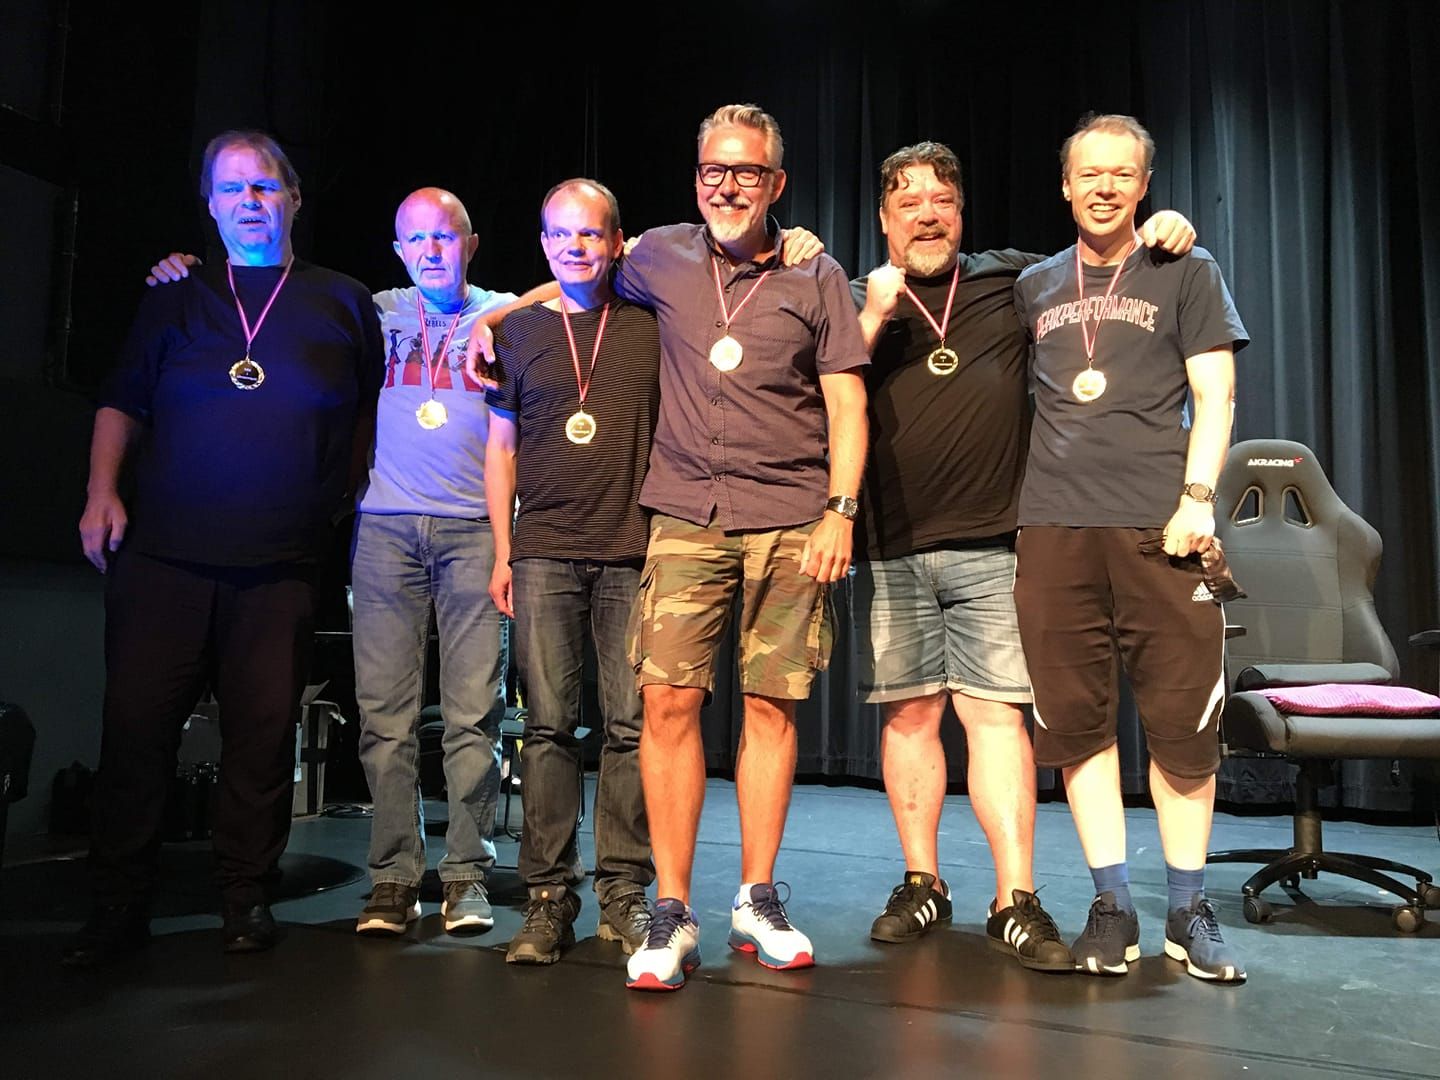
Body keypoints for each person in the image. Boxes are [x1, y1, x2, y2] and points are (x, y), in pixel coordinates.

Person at [136, 188, 521, 938]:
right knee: (384, 718)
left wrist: (505, 313)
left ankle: (467, 876)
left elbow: (570, 292)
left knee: (474, 716)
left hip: (477, 532)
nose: (431, 251)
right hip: (384, 532)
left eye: (446, 236)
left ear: (471, 244)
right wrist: (189, 272)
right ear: (398, 251)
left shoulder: (505, 310)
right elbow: (277, 303)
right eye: (416, 239)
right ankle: (394, 879)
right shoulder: (373, 311)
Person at [851, 142, 1195, 970]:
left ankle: (1015, 897)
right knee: (909, 716)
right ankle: (922, 881)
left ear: (961, 212)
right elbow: (816, 393)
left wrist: (1165, 231)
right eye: (908, 203)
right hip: (892, 543)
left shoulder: (1013, 279)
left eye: (942, 200)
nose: (927, 215)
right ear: (884, 219)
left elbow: (1100, 271)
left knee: (997, 717)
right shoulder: (858, 295)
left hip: (997, 539)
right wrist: (870, 317)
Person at [65, 131, 384, 966]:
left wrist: (342, 495)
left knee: (262, 737)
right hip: (164, 555)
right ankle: (118, 904)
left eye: (265, 186)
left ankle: (245, 895)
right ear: (209, 205)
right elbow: (123, 399)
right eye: (232, 188)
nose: (250, 201)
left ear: (294, 198)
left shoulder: (344, 301)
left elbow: (367, 412)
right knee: (136, 732)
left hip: (279, 564)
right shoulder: (175, 294)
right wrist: (101, 492)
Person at [615, 104, 870, 991]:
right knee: (667, 702)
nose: (728, 187)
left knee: (772, 705)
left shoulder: (816, 273)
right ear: (696, 178)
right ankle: (672, 908)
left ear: (777, 183)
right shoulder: (657, 255)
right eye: (714, 171)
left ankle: (757, 898)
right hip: (687, 512)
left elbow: (846, 403)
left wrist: (841, 512)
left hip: (792, 515)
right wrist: (489, 326)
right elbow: (573, 276)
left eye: (748, 172)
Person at [1012, 114, 1249, 983]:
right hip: (1054, 528)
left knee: (1182, 726)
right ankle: (1112, 902)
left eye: (1122, 174)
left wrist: (1198, 499)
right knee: (1077, 724)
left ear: (1144, 185)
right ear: (1065, 185)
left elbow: (1215, 395)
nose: (1105, 187)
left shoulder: (1185, 267)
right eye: (1090, 173)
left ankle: (1188, 907)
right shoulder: (1034, 284)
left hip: (1163, 527)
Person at [485, 179, 659, 965]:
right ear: (543, 244)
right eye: (560, 234)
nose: (574, 247)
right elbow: (501, 450)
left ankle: (624, 891)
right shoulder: (519, 332)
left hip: (632, 548)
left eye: (589, 233)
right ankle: (548, 898)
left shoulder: (651, 324)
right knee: (547, 727)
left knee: (630, 727)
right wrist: (503, 550)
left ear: (617, 241)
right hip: (544, 551)